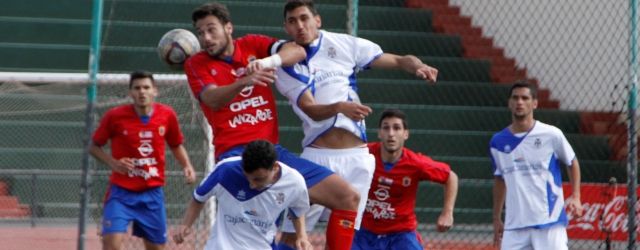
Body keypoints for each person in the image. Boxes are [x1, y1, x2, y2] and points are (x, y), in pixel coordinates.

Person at [182, 3, 361, 250]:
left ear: (229, 27)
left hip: (274, 154)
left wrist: (268, 62)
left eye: (211, 29)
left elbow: (297, 51)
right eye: (200, 33)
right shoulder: (196, 64)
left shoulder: (252, 45)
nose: (206, 38)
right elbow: (212, 99)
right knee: (259, 240)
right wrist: (246, 80)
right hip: (238, 159)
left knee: (347, 197)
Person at [272, 1, 439, 248]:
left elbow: (400, 59)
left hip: (356, 159)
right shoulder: (285, 62)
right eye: (292, 21)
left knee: (343, 238)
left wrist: (419, 66)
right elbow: (311, 110)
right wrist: (340, 107)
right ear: (286, 27)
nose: (300, 25)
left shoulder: (344, 45)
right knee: (292, 235)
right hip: (317, 157)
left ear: (317, 20)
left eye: (304, 18)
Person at [89, 71, 197, 250]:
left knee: (156, 248)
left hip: (151, 194)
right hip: (121, 193)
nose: (142, 92)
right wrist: (113, 162)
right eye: (137, 88)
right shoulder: (114, 116)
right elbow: (93, 146)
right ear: (130, 92)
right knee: (111, 244)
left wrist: (187, 165)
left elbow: (175, 144)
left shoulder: (167, 115)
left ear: (155, 91)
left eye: (146, 87)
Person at [490, 81, 584, 249]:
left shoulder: (551, 134)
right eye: (515, 98)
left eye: (525, 98)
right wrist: (496, 217)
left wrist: (576, 196)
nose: (520, 102)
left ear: (535, 103)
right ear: (509, 103)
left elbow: (572, 162)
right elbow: (499, 179)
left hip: (549, 223)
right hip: (514, 227)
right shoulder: (497, 142)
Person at [173, 140, 312, 250]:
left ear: (274, 168)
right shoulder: (225, 170)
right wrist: (186, 224)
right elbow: (199, 197)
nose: (251, 185)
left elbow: (298, 208)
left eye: (258, 179)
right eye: (247, 177)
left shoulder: (294, 182)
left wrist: (302, 236)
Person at [352, 109, 458, 249]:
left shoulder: (415, 163)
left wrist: (447, 213)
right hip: (364, 231)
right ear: (379, 133)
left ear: (405, 134)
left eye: (396, 128)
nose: (391, 134)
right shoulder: (363, 154)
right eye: (386, 128)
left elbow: (450, 177)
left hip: (400, 234)